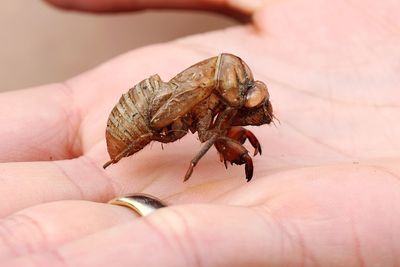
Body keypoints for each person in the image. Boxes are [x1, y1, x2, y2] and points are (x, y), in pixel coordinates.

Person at [1, 0, 400, 266]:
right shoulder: (211, 100)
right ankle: (117, 156)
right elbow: (208, 137)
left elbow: (215, 130)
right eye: (249, 107)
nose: (253, 113)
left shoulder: (221, 94)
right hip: (139, 121)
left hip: (154, 105)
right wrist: (223, 145)